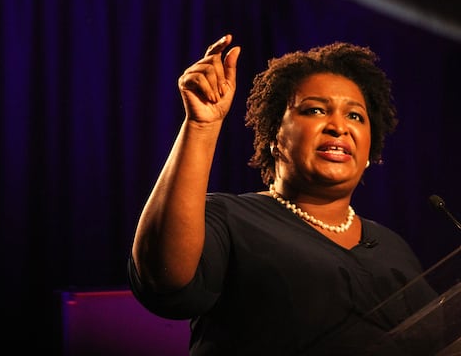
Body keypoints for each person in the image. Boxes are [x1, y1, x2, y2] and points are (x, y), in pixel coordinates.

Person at [127, 35, 440, 355]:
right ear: (273, 136)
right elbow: (164, 280)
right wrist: (201, 126)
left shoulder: (393, 247)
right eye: (316, 110)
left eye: (355, 116)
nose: (339, 127)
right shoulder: (229, 218)